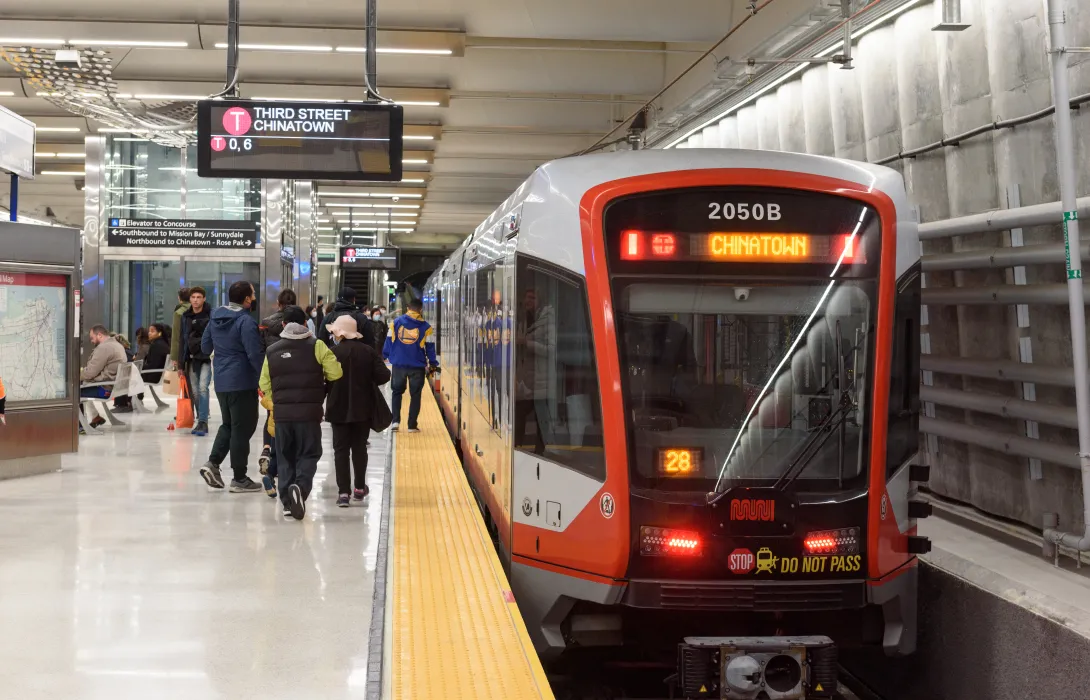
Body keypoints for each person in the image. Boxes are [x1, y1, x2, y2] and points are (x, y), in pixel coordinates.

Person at [259, 315, 343, 520]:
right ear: (307, 330)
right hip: (309, 414)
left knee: (286, 455)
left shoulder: (271, 351)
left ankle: (287, 503)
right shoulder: (317, 345)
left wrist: (276, 402)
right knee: (309, 453)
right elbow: (335, 373)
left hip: (282, 415)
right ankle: (301, 487)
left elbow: (264, 384)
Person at [198, 281, 265, 494]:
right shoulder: (245, 321)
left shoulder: (215, 318)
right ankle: (239, 477)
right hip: (242, 380)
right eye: (252, 295)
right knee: (242, 427)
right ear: (246, 299)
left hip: (222, 381)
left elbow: (205, 346)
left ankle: (212, 463)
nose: (254, 298)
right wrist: (264, 379)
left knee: (229, 424)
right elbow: (254, 354)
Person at [326, 315, 391, 507]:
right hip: (362, 408)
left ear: (339, 333)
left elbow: (323, 380)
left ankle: (343, 493)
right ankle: (360, 488)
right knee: (359, 448)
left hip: (337, 407)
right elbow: (384, 376)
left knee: (340, 451)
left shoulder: (332, 352)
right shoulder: (368, 352)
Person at [257, 289, 298, 494]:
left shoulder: (265, 322)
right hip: (294, 377)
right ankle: (278, 465)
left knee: (272, 416)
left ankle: (267, 448)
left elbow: (259, 348)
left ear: (278, 303)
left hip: (271, 373)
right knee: (288, 422)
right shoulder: (300, 322)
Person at [383, 298, 438, 433]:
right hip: (417, 366)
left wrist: (386, 356)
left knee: (397, 392)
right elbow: (430, 348)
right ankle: (412, 425)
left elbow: (388, 342)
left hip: (399, 365)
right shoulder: (426, 327)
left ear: (408, 308)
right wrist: (433, 364)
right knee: (416, 394)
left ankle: (395, 422)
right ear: (420, 309)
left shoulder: (395, 323)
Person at [80, 325, 128, 429]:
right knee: (81, 386)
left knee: (74, 392)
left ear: (100, 335)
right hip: (114, 387)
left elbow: (90, 373)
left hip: (105, 389)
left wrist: (74, 376)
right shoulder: (116, 345)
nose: (92, 341)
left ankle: (80, 427)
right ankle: (95, 417)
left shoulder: (104, 348)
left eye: (92, 338)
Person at [180, 287, 213, 436]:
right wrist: (180, 362)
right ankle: (201, 419)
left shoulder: (211, 314)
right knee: (194, 390)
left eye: (199, 297)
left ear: (204, 298)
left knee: (202, 388)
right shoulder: (185, 316)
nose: (195, 300)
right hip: (191, 358)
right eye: (193, 297)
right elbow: (182, 340)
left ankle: (203, 421)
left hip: (206, 357)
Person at [169, 287, 191, 369]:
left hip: (182, 352)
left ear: (179, 298)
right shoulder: (197, 309)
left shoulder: (179, 313)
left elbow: (176, 336)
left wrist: (175, 357)